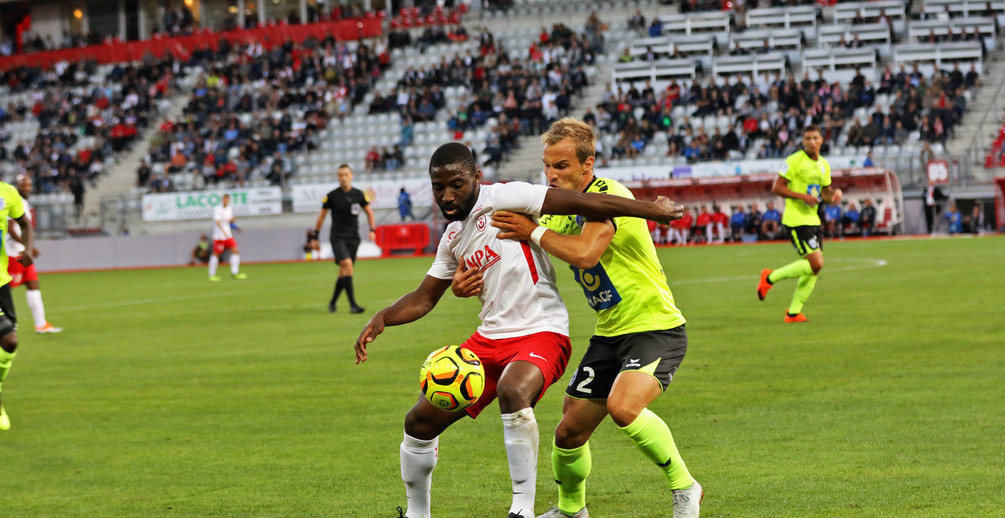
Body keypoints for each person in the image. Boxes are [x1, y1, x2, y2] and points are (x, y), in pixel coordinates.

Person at [354, 142, 683, 518]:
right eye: (438, 187)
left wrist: (649, 210)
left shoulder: (505, 197)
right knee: (418, 422)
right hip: (488, 340)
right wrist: (381, 318)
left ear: (476, 177)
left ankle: (522, 509)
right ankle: (416, 514)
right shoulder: (452, 238)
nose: (447, 196)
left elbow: (583, 204)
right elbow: (424, 298)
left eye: (456, 185)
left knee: (514, 390)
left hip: (542, 331)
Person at [470, 119, 702, 518]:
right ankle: (571, 510)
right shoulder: (556, 208)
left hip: (654, 327)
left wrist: (532, 231)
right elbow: (510, 244)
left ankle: (685, 488)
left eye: (561, 166)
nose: (551, 175)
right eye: (547, 166)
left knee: (624, 407)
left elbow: (585, 254)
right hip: (609, 334)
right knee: (569, 430)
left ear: (587, 165)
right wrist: (466, 277)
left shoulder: (606, 195)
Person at [756, 124, 843, 323]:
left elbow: (825, 193)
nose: (812, 142)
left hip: (813, 219)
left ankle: (793, 313)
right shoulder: (794, 161)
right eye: (807, 139)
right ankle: (769, 277)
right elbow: (777, 187)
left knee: (814, 268)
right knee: (816, 263)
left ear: (822, 140)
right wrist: (802, 196)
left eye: (815, 138)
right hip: (796, 220)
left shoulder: (824, 165)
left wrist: (836, 194)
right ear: (803, 141)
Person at [314, 164, 375, 314]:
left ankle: (332, 302)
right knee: (347, 264)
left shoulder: (359, 194)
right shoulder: (332, 196)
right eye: (340, 175)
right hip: (337, 237)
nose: (343, 177)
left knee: (344, 271)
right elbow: (321, 217)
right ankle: (353, 305)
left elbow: (370, 213)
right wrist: (315, 236)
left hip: (353, 238)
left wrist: (372, 230)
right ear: (338, 177)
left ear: (351, 176)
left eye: (346, 174)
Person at [5, 175, 61, 334]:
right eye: (24, 185)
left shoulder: (24, 202)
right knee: (6, 291)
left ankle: (41, 324)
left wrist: (28, 248)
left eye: (29, 185)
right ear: (17, 186)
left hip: (23, 253)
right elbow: (10, 229)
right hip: (13, 253)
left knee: (33, 284)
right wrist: (27, 246)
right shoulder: (13, 201)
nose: (27, 188)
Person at [0, 178, 35, 430]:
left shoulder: (7, 192)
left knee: (9, 341)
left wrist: (28, 247)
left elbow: (25, 223)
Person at [208, 194, 247, 281]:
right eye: (225, 200)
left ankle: (235, 273)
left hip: (228, 235)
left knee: (235, 251)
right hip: (219, 236)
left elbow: (228, 221)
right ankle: (212, 274)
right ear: (222, 200)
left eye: (228, 200)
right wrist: (223, 232)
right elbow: (217, 222)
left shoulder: (229, 209)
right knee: (216, 254)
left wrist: (235, 226)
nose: (226, 201)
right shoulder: (217, 209)